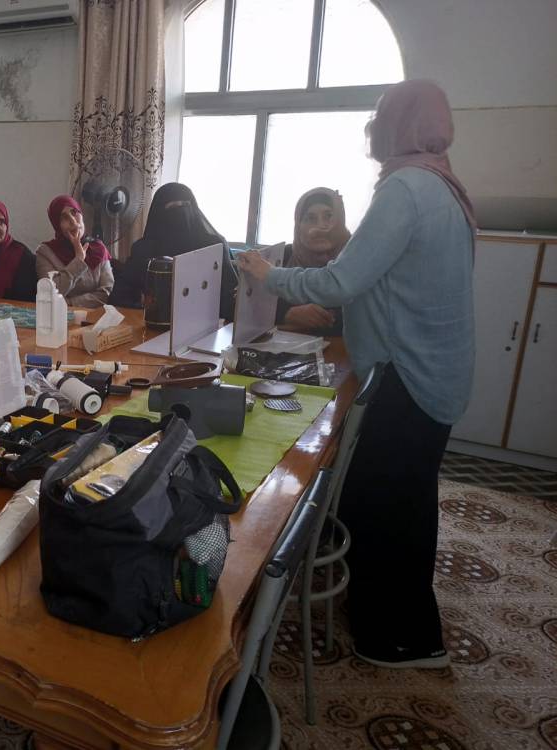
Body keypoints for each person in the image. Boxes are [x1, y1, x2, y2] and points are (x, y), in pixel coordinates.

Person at [236, 79, 476, 670]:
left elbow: (341, 281)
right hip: (432, 372)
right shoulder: (441, 182)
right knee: (404, 499)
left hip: (406, 377)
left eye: (380, 117)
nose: (372, 130)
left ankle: (399, 638)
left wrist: (268, 275)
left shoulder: (405, 189)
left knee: (386, 504)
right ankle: (403, 622)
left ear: (400, 126)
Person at [115, 183, 233, 317]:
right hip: (155, 323)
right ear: (159, 213)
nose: (181, 211)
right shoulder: (143, 249)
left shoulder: (213, 245)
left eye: (186, 205)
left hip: (206, 323)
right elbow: (120, 297)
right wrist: (146, 307)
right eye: (173, 207)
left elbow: (230, 297)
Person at [276, 187, 351, 335]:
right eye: (310, 218)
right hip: (282, 347)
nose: (321, 226)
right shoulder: (282, 256)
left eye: (329, 216)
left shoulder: (357, 260)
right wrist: (286, 313)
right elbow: (246, 305)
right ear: (298, 226)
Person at [35, 194, 114, 308]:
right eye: (64, 217)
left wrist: (70, 303)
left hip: (93, 316)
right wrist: (78, 260)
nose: (72, 221)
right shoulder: (46, 252)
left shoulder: (98, 249)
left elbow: (107, 293)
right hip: (58, 316)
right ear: (57, 225)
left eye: (74, 212)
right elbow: (49, 294)